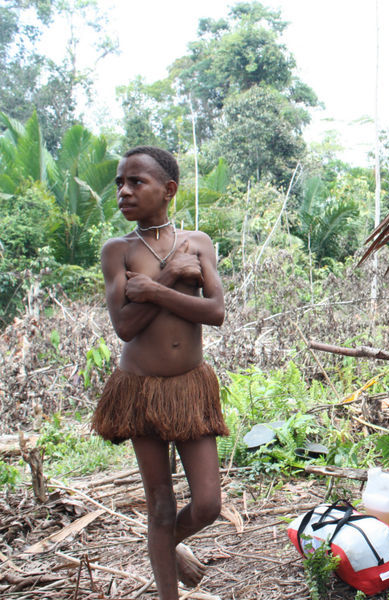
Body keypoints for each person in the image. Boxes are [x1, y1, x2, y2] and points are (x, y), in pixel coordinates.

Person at [91, 146, 228, 599]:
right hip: (140, 390)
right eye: (119, 183)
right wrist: (167, 280)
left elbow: (215, 312)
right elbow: (125, 327)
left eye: (136, 182)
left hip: (190, 388)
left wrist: (150, 289)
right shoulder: (119, 252)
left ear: (168, 190)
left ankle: (164, 548)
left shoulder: (199, 243)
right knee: (162, 506)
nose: (124, 191)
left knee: (207, 504)